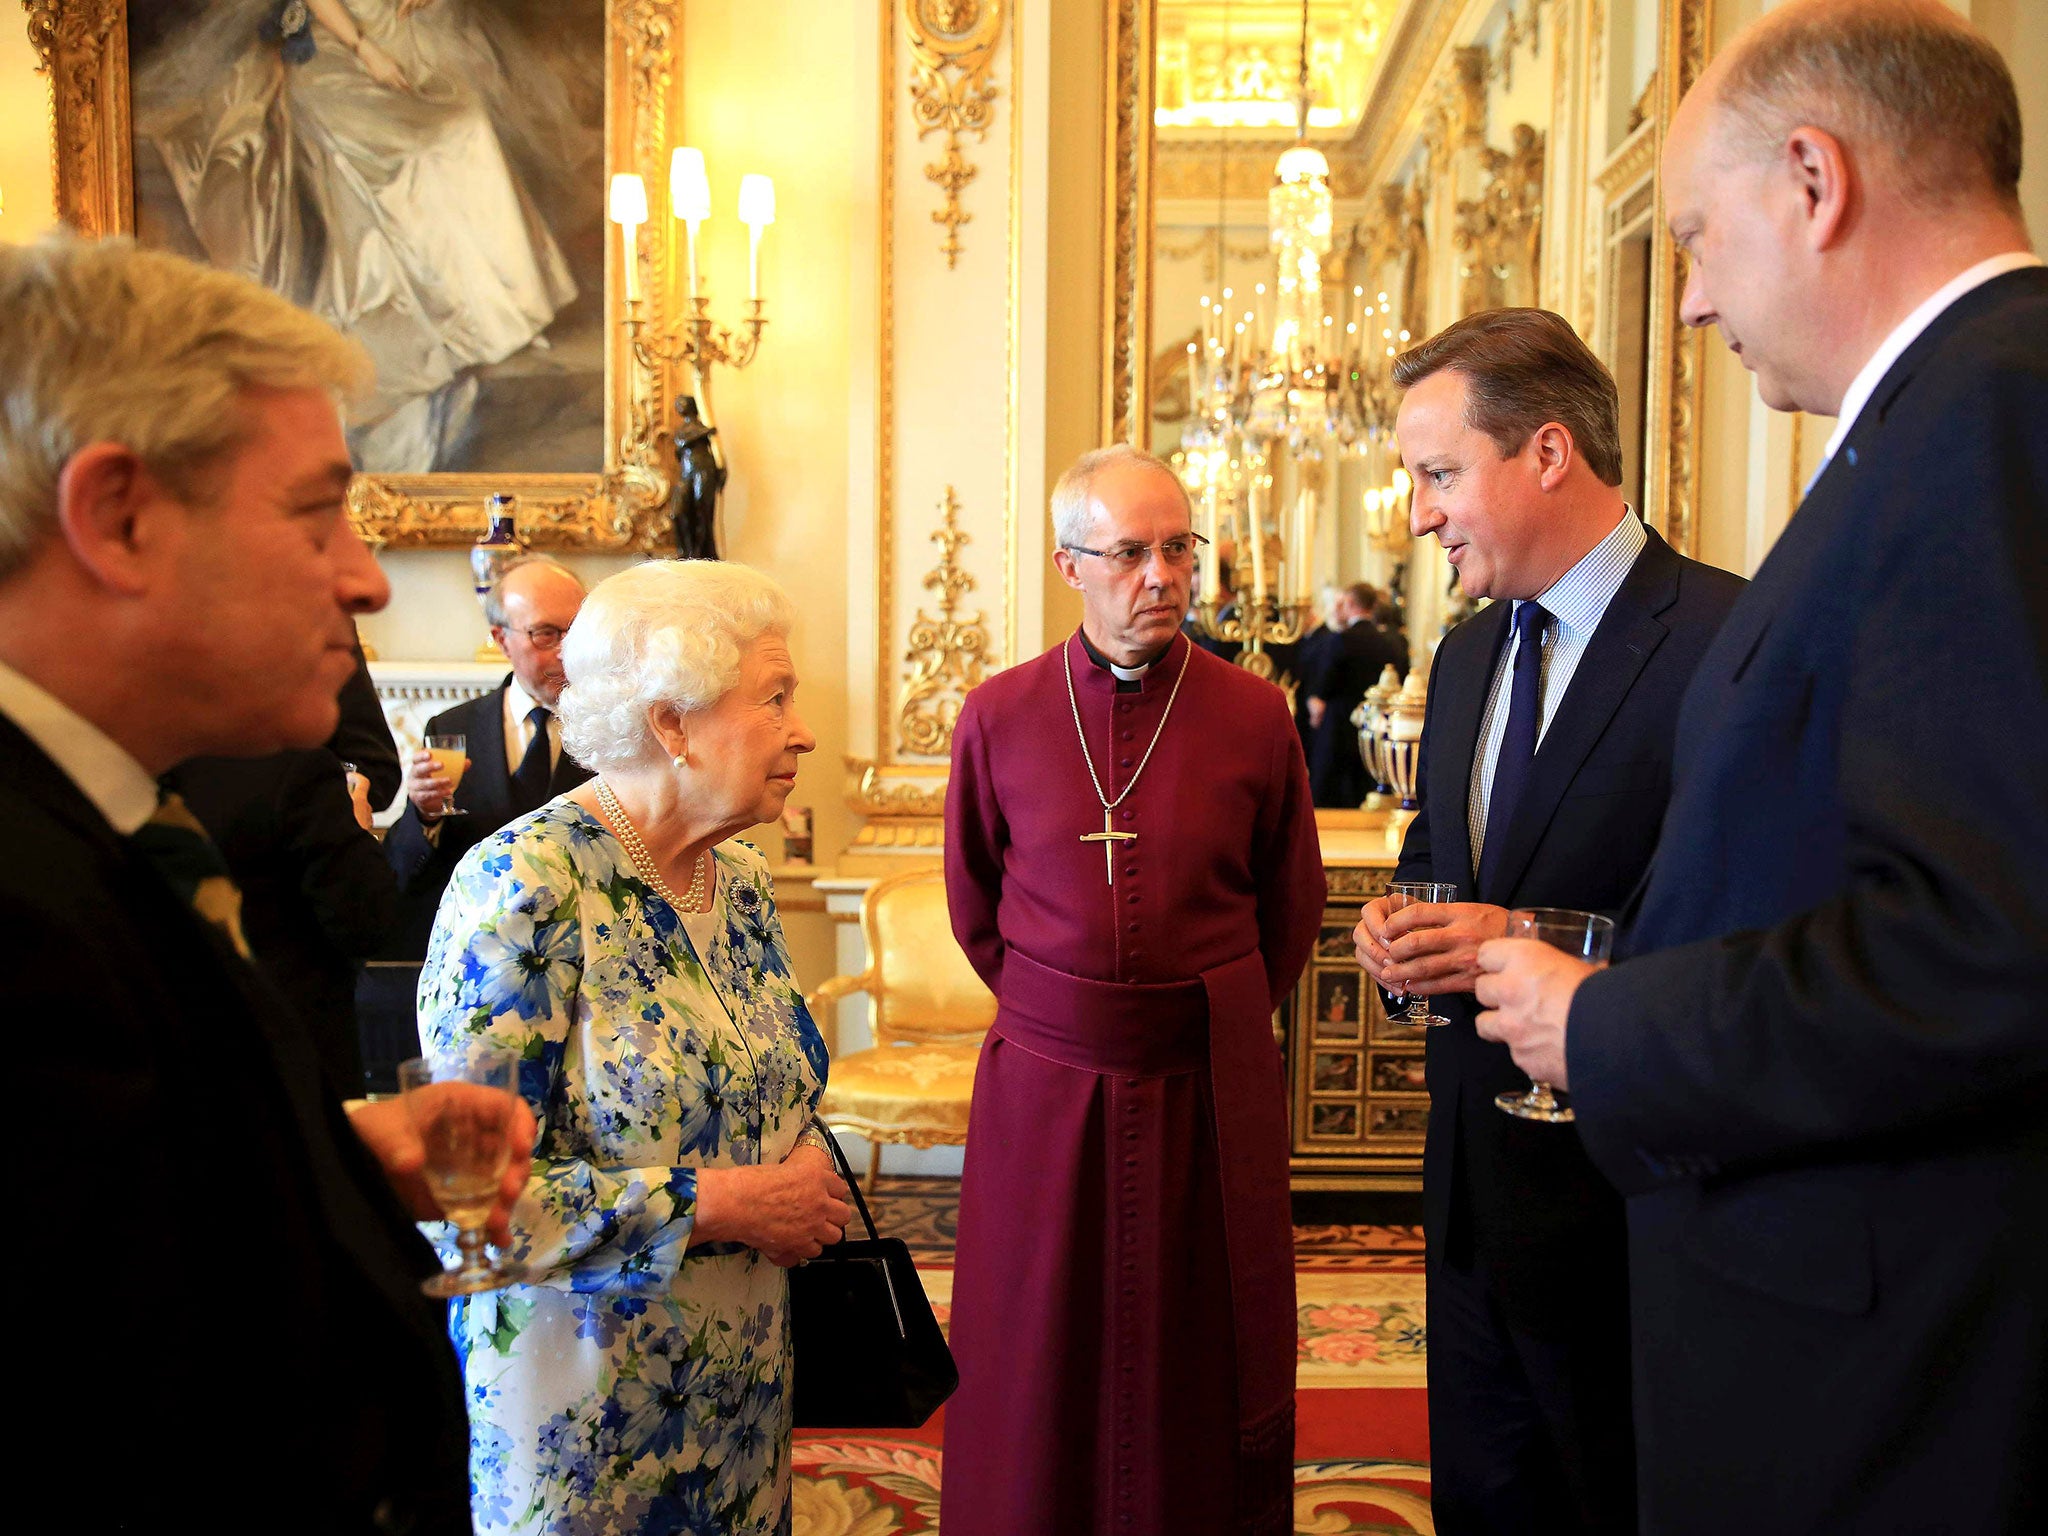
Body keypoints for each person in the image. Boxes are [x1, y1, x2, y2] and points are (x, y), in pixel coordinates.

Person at [1472, 4, 2047, 1530]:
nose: (1692, 302)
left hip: (1891, 1362)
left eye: (1695, 237)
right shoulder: (1942, 419)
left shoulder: (1993, 417)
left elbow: (1989, 944)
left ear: (1814, 179)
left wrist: (1613, 1021)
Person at [0, 231, 530, 1525]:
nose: (363, 576)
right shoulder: (17, 924)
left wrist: (322, 1161)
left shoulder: (106, 825)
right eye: (317, 512)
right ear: (119, 518)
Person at [1350, 309, 1745, 1534]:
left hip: (1630, 1204)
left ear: (1548, 454)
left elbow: (1751, 932)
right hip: (1471, 1194)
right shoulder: (1462, 660)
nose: (1417, 515)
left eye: (1435, 474)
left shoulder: (1727, 642)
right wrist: (1399, 943)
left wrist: (1531, 939)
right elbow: (1437, 863)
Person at [418, 559, 851, 1535]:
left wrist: (803, 1162)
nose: (804, 731)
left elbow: (770, 1081)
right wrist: (730, 1202)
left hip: (739, 1398)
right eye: (774, 698)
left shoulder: (735, 877)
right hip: (586, 1426)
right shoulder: (521, 886)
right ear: (671, 724)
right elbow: (468, 1211)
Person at [942, 445, 1326, 1536]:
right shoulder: (999, 714)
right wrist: (1069, 1017)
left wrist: (1189, 1013)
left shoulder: (1254, 717)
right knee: (1039, 1346)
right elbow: (975, 905)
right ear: (1070, 564)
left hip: (1202, 1086)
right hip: (1048, 1089)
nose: (1159, 575)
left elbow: (1285, 909)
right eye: (1128, 553)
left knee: (1194, 1348)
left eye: (1176, 548)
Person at [131, 0, 582, 471]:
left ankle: (495, 308)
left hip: (403, 33)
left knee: (467, 129)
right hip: (337, 49)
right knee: (416, 155)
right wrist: (364, 48)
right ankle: (434, 312)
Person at [366, 556, 593, 1085]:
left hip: (583, 977)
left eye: (576, 632)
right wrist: (421, 813)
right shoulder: (451, 727)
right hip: (477, 977)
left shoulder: (609, 732)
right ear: (500, 638)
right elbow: (406, 871)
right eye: (544, 634)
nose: (564, 651)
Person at [164, 743, 399, 1095]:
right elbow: (367, 922)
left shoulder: (121, 766)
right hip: (288, 1061)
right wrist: (358, 834)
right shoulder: (294, 769)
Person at [1303, 581, 1408, 807]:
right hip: (1376, 726)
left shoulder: (1341, 639)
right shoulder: (1389, 643)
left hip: (1338, 725)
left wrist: (1315, 711)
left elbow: (1322, 686)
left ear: (1350, 603)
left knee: (1328, 794)